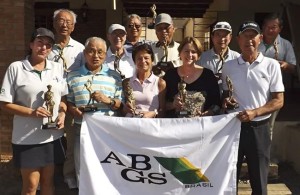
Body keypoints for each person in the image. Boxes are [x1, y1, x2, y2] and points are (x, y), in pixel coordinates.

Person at [0, 28, 67, 195]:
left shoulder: (57, 68)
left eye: (48, 45)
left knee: (48, 183)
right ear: (31, 44)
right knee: (30, 186)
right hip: (26, 138)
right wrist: (32, 113)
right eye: (40, 43)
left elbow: (63, 100)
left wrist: (62, 114)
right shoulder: (16, 68)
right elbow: (4, 103)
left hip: (52, 136)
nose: (44, 48)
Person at [222, 21, 284, 195]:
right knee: (229, 178)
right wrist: (226, 102)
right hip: (233, 129)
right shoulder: (229, 66)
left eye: (253, 36)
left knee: (259, 181)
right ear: (238, 39)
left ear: (260, 39)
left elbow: (279, 100)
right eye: (245, 36)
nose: (249, 40)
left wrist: (255, 112)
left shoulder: (271, 65)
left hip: (259, 129)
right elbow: (226, 96)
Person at [67, 37, 123, 186]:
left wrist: (107, 100)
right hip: (82, 128)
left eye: (100, 52)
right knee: (82, 167)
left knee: (108, 167)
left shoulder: (114, 77)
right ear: (85, 53)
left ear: (105, 55)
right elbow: (69, 101)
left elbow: (120, 104)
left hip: (107, 131)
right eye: (91, 51)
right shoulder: (72, 76)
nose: (95, 56)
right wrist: (73, 110)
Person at [47, 9, 85, 189]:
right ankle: (45, 177)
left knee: (71, 143)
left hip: (71, 103)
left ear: (74, 27)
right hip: (48, 102)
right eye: (61, 21)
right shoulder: (46, 47)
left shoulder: (80, 49)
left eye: (68, 22)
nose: (64, 25)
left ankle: (69, 175)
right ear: (54, 23)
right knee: (46, 141)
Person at [258, 12, 297, 140]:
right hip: (257, 89)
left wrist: (285, 65)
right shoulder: (256, 42)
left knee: (269, 125)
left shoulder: (285, 44)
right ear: (262, 27)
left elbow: (293, 68)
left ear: (280, 29)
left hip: (275, 92)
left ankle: (265, 155)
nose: (270, 30)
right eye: (267, 26)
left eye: (273, 27)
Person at [163, 36, 221, 118]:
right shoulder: (170, 75)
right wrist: (173, 105)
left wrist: (209, 112)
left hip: (200, 127)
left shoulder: (208, 76)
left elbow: (217, 104)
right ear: (180, 53)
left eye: (193, 52)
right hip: (174, 127)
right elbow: (160, 105)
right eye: (186, 51)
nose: (190, 55)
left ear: (199, 55)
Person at [123, 43, 166, 118]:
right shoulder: (126, 82)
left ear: (152, 60)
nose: (143, 61)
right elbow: (122, 110)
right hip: (130, 124)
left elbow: (163, 111)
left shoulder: (160, 83)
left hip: (150, 125)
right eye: (139, 58)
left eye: (146, 58)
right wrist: (125, 109)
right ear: (134, 61)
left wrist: (153, 113)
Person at [196, 21, 239, 91]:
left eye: (225, 35)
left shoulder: (237, 58)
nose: (222, 39)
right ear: (212, 37)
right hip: (208, 99)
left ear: (230, 37)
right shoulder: (202, 58)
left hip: (231, 100)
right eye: (218, 35)